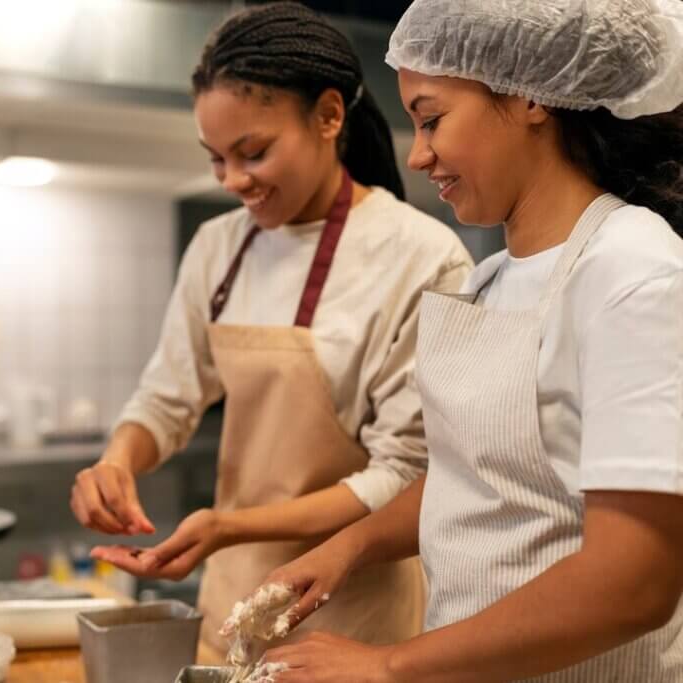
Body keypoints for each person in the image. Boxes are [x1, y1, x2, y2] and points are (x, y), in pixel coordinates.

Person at [246, 1, 683, 680]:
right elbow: (477, 471)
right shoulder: (490, 280)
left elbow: (636, 580)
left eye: (432, 119)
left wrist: (388, 664)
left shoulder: (632, 271)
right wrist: (350, 546)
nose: (417, 154)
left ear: (532, 96)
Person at [68, 1, 473, 656]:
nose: (233, 180)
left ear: (329, 116)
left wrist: (231, 524)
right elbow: (167, 396)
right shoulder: (216, 247)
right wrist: (119, 459)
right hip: (232, 606)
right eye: (215, 159)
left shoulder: (421, 257)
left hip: (357, 619)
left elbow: (403, 473)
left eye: (252, 152)